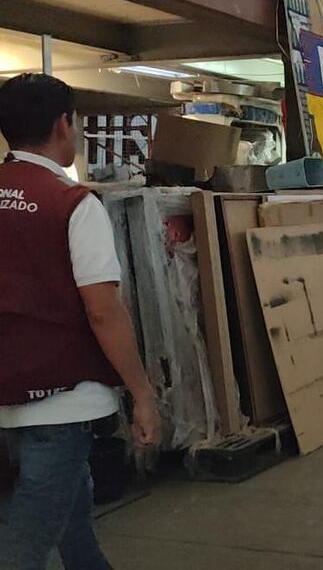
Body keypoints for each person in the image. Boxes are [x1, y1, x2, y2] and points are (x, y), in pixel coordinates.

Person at [0, 73, 160, 569]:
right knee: (27, 539)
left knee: (70, 509)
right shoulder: (72, 204)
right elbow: (102, 310)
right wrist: (142, 393)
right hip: (60, 402)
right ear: (63, 125)